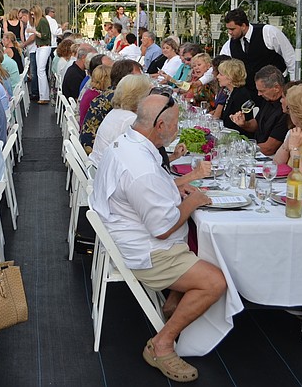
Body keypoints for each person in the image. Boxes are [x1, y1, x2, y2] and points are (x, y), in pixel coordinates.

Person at [89, 94, 226, 383]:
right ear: (160, 125)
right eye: (175, 123)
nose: (178, 128)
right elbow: (162, 228)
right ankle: (161, 344)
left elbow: (148, 192)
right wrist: (194, 200)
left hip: (129, 233)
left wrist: (174, 190)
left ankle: (174, 302)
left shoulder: (129, 142)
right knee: (215, 282)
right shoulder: (141, 168)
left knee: (204, 240)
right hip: (147, 251)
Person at [220, 8, 296, 94]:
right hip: (250, 92)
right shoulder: (230, 44)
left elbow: (290, 57)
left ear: (243, 26)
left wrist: (292, 87)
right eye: (228, 29)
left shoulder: (268, 32)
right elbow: (219, 64)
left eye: (232, 29)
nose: (229, 32)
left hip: (275, 90)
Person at [80, 59, 143, 153]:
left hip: (91, 145)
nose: (142, 79)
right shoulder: (118, 99)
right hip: (94, 150)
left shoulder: (110, 92)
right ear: (127, 79)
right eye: (139, 77)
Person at [89, 74, 153, 166]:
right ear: (140, 97)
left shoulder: (117, 112)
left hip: (98, 164)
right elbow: (142, 157)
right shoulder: (130, 119)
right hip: (106, 168)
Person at [230, 65, 289, 155]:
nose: (259, 94)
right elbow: (257, 124)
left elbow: (269, 148)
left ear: (276, 88)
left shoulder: (285, 110)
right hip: (257, 149)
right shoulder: (268, 99)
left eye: (262, 91)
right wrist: (244, 124)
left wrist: (242, 149)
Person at [211, 58, 255, 137]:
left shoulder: (241, 95)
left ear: (230, 78)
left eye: (221, 74)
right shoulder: (230, 92)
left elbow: (237, 124)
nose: (217, 76)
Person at [34, 6, 60, 104]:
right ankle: (43, 95)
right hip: (40, 47)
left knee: (41, 71)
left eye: (32, 14)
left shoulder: (42, 21)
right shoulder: (40, 21)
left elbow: (45, 35)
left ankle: (44, 95)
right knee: (40, 71)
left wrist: (34, 32)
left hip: (44, 47)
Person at [23, 7, 40, 101]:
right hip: (32, 49)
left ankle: (35, 92)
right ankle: (36, 91)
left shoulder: (32, 23)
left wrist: (24, 44)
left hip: (34, 49)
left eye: (21, 17)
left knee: (34, 72)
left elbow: (32, 37)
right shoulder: (32, 22)